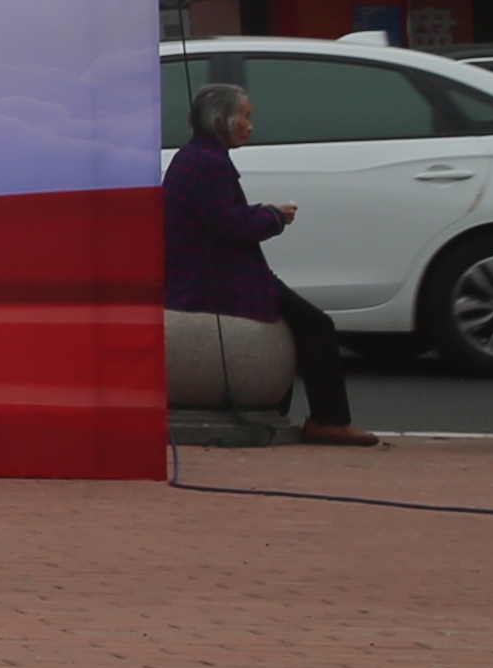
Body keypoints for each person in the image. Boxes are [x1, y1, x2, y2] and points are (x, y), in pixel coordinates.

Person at [162, 80, 380, 449]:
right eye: (243, 117)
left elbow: (217, 217)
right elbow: (231, 226)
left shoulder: (194, 158)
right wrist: (275, 218)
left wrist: (261, 212)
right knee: (316, 325)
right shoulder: (211, 165)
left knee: (300, 322)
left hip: (205, 270)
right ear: (220, 120)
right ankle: (329, 419)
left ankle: (282, 411)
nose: (250, 125)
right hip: (214, 279)